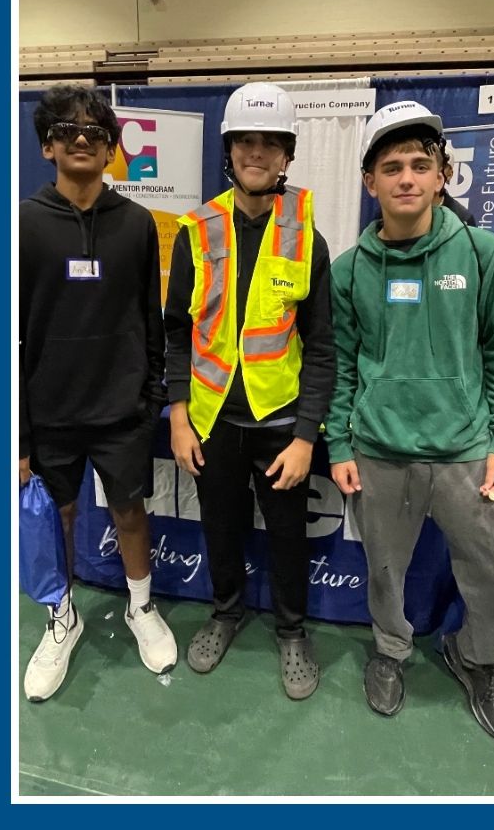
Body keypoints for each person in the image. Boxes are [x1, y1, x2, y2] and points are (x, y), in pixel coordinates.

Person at [327, 100, 494, 744]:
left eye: (419, 165)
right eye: (391, 167)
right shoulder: (348, 272)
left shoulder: (485, 253)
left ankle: (480, 658)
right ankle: (390, 651)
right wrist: (338, 442)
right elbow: (342, 366)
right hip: (379, 453)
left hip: (467, 453)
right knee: (384, 568)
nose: (406, 177)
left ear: (441, 177)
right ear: (370, 182)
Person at [165, 83, 334, 700]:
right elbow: (177, 333)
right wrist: (179, 416)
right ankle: (226, 612)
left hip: (281, 422)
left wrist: (306, 434)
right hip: (212, 419)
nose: (255, 153)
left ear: (287, 155)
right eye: (244, 142)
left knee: (289, 532)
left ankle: (292, 631)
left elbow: (321, 345)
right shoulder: (197, 231)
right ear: (229, 150)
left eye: (269, 143)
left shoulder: (307, 237)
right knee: (221, 524)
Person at [19, 82, 175, 702]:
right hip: (49, 411)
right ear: (47, 146)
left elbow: (151, 315)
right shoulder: (24, 224)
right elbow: (12, 335)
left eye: (96, 133)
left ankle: (141, 606)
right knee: (56, 517)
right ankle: (63, 616)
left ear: (112, 149)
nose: (82, 140)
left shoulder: (137, 224)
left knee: (128, 509)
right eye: (68, 132)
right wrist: (20, 434)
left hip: (122, 409)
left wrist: (152, 395)